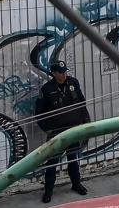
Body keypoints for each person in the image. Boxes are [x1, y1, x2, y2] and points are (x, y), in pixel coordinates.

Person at [34, 60, 92, 202]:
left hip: (73, 128)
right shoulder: (47, 89)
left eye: (65, 71)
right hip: (57, 131)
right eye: (61, 72)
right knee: (52, 162)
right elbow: (39, 112)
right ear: (53, 73)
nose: (64, 74)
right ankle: (48, 191)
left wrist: (85, 121)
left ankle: (76, 184)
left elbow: (81, 103)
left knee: (73, 158)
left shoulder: (73, 83)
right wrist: (46, 129)